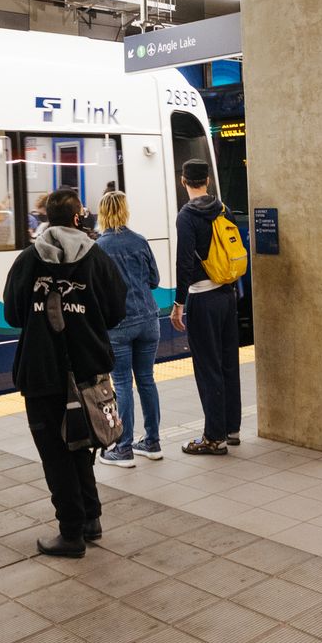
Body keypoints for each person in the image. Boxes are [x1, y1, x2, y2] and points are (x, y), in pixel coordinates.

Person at [2, 189, 125, 558]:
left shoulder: (27, 260)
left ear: (46, 219)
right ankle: (90, 519)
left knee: (56, 454)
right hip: (89, 370)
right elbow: (116, 310)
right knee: (82, 446)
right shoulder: (98, 258)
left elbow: (12, 314)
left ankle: (71, 533)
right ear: (77, 218)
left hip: (42, 373)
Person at [172, 159, 240, 454]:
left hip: (202, 297)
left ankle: (214, 437)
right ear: (208, 181)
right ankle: (232, 428)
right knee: (228, 363)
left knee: (207, 367)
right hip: (227, 295)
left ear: (183, 181)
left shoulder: (186, 216)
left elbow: (184, 262)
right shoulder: (223, 209)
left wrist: (178, 304)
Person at [92, 190, 162, 467]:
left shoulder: (98, 247)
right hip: (149, 319)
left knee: (122, 384)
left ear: (102, 213)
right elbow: (155, 280)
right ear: (126, 210)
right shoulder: (140, 241)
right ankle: (153, 442)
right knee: (146, 379)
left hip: (118, 325)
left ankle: (123, 448)